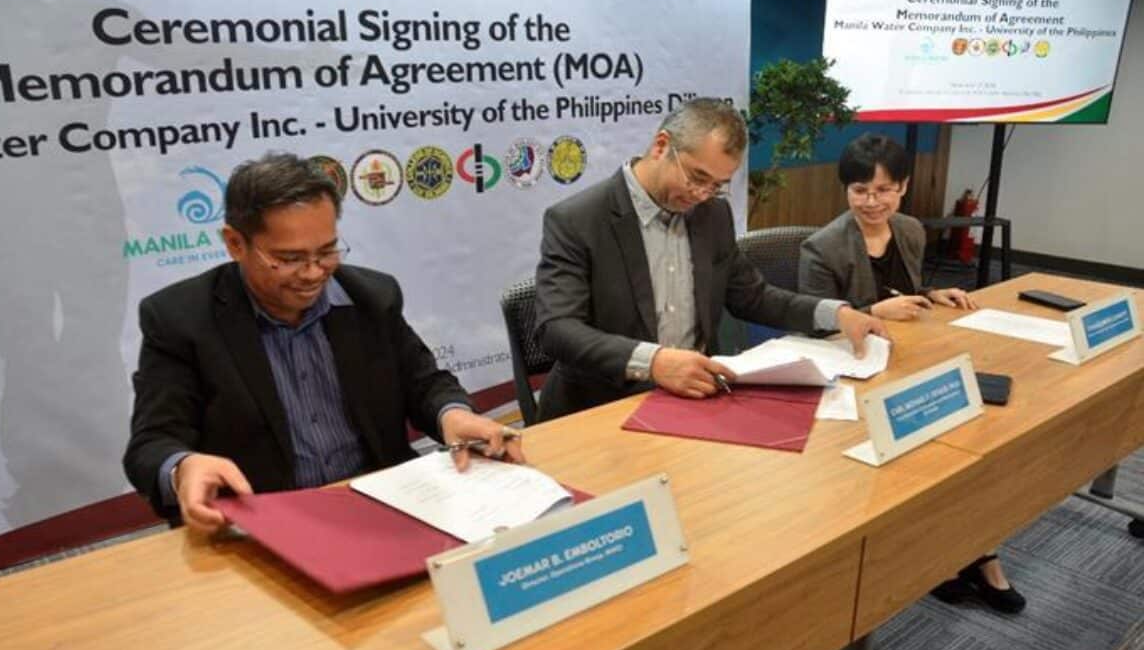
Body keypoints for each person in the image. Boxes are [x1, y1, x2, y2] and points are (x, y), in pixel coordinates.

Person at [123, 153, 522, 533]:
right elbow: (152, 443)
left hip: (382, 503)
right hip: (262, 523)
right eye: (290, 258)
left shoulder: (370, 297)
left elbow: (424, 384)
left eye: (327, 251)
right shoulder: (181, 319)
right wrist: (183, 467)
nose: (315, 273)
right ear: (235, 243)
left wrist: (452, 415)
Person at [532, 97, 888, 422]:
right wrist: (654, 363)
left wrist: (836, 313)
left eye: (717, 185)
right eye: (697, 177)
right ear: (661, 146)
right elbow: (558, 329)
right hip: (603, 409)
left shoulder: (711, 215)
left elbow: (752, 296)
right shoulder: (578, 220)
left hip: (696, 400)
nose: (702, 194)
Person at [799, 133, 1024, 614]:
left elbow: (910, 289)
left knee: (969, 445)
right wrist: (874, 309)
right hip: (854, 377)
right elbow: (815, 329)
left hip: (907, 361)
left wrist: (933, 294)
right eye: (859, 190)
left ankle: (976, 552)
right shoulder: (822, 247)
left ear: (902, 187)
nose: (871, 201)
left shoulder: (910, 230)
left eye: (883, 190)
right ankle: (944, 557)